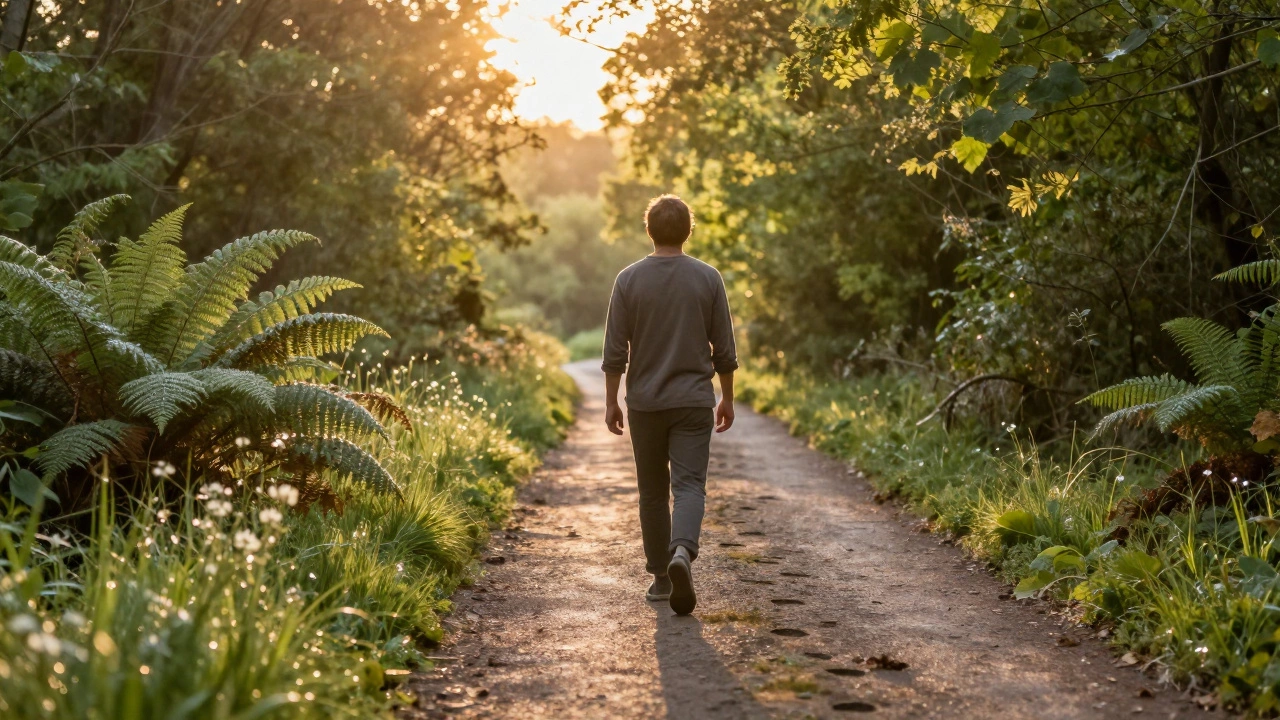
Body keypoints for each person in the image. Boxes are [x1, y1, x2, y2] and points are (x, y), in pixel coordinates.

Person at [601, 194, 738, 615]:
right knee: (689, 485)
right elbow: (725, 348)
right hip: (694, 401)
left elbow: (614, 350)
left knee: (652, 492)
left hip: (644, 404)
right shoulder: (708, 277)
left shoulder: (628, 279)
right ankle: (683, 551)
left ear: (649, 230)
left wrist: (611, 402)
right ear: (688, 231)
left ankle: (661, 578)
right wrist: (726, 397)